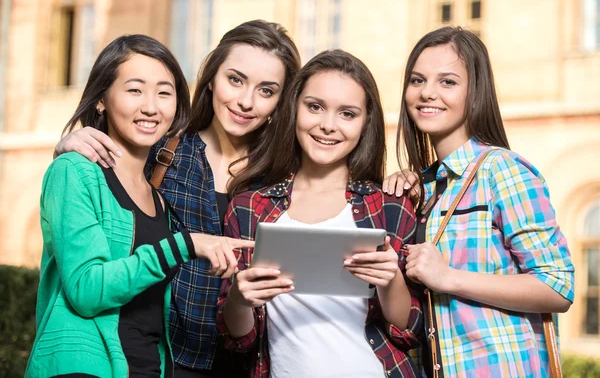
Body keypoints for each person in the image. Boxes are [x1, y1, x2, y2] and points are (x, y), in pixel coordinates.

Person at [52, 20, 302, 377]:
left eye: (266, 90)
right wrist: (65, 145)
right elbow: (88, 188)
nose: (246, 102)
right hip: (167, 356)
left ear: (281, 101)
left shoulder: (286, 177)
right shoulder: (161, 151)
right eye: (235, 80)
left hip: (251, 359)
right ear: (212, 78)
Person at [26, 34, 251, 377]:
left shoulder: (157, 194)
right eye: (134, 90)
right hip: (86, 365)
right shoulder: (75, 171)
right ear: (101, 98)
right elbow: (87, 290)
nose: (150, 106)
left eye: (164, 92)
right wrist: (186, 244)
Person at [218, 49, 423, 378]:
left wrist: (391, 280)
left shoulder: (390, 205)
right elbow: (238, 341)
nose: (328, 125)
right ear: (294, 108)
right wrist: (240, 300)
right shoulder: (249, 207)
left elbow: (409, 330)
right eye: (315, 107)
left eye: (347, 114)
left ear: (365, 123)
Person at [398, 26, 574, 377]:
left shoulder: (502, 170)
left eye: (447, 82)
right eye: (417, 80)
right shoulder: (426, 187)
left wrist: (449, 277)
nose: (427, 93)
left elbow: (557, 285)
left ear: (475, 93)